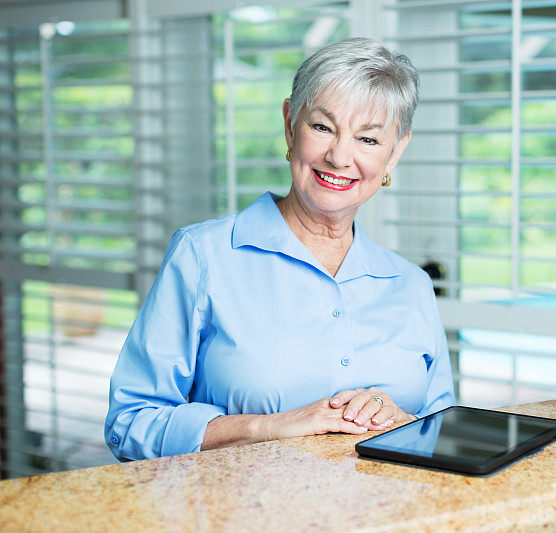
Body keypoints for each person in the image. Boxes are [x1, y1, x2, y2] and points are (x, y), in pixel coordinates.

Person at [105, 38, 455, 461]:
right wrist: (271, 425)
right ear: (290, 124)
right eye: (322, 127)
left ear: (395, 151)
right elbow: (130, 422)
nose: (340, 156)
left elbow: (443, 436)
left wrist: (400, 421)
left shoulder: (411, 285)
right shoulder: (202, 256)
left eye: (367, 139)